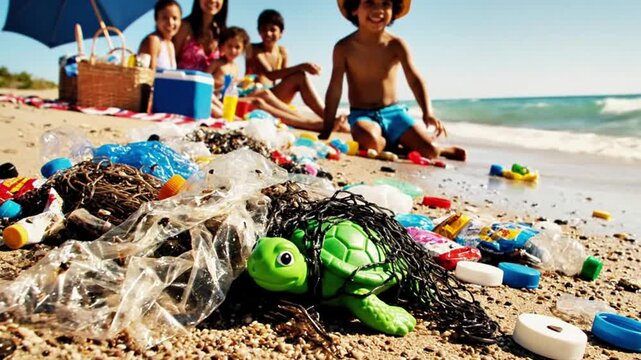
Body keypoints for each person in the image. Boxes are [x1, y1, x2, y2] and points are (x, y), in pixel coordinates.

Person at [320, 0, 466, 161]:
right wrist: (327, 127)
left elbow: (415, 80)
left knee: (430, 151)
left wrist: (427, 112)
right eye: (369, 2)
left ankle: (441, 150)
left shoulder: (396, 44)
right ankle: (393, 144)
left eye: (385, 3)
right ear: (355, 8)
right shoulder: (343, 47)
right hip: (362, 115)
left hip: (394, 112)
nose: (378, 10)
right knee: (371, 143)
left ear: (394, 10)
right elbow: (335, 87)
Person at [208, 27, 346, 131]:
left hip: (234, 97)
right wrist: (217, 86)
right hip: (221, 100)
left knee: (265, 93)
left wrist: (242, 83)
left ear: (243, 48)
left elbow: (234, 87)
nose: (233, 51)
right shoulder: (217, 63)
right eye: (229, 46)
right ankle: (310, 124)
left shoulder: (235, 66)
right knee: (258, 101)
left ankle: (306, 120)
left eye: (237, 47)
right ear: (222, 47)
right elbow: (203, 82)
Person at [245, 9, 345, 127]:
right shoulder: (253, 49)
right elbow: (268, 74)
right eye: (263, 30)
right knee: (298, 72)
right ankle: (317, 123)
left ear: (281, 33)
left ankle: (328, 116)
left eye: (272, 29)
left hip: (275, 94)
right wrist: (301, 66)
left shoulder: (282, 52)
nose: (267, 34)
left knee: (299, 76)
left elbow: (286, 77)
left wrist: (301, 69)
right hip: (257, 93)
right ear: (259, 32)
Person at [173, 0, 228, 72]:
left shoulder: (223, 33)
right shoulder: (184, 27)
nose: (212, 0)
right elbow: (170, 60)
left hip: (210, 83)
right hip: (181, 82)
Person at [138, 0, 181, 70]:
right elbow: (149, 76)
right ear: (156, 20)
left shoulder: (170, 44)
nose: (170, 22)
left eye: (175, 18)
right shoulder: (153, 41)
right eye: (165, 18)